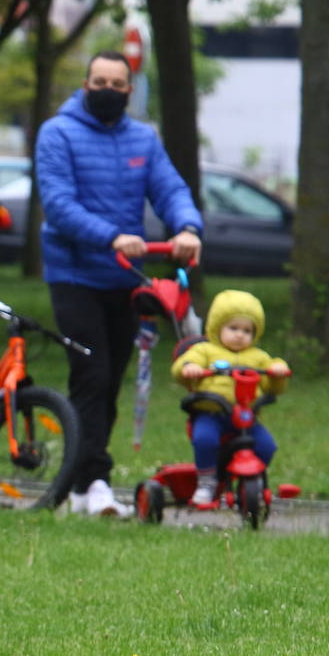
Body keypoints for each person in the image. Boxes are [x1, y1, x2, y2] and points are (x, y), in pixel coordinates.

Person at [35, 51, 204, 516]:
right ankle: (96, 481)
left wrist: (187, 227)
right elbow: (59, 203)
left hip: (124, 278)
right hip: (74, 275)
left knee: (109, 381)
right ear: (85, 84)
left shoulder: (142, 140)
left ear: (129, 90)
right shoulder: (58, 133)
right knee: (90, 375)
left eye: (117, 83)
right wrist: (110, 235)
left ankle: (79, 484)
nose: (108, 89)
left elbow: (170, 189)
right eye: (99, 81)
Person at [171, 289, 289, 506]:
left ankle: (252, 480)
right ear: (218, 327)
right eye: (233, 328)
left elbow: (273, 385)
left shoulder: (258, 357)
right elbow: (184, 364)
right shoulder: (205, 350)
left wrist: (278, 371)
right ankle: (207, 482)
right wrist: (190, 368)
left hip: (245, 416)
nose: (239, 335)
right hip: (211, 413)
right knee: (204, 439)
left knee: (266, 445)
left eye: (247, 330)